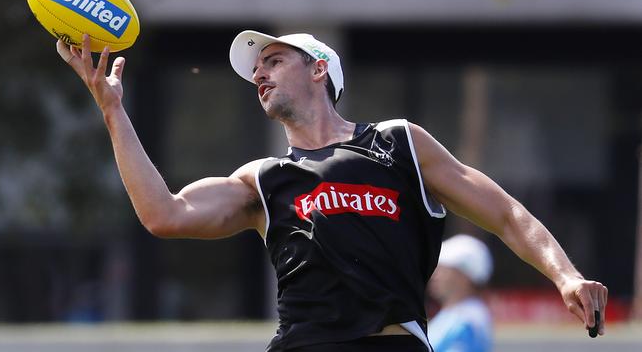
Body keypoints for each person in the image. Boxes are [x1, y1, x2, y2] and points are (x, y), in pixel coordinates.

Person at [55, 30, 608, 352]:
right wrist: (112, 111)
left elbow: (506, 213)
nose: (261, 76)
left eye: (273, 60)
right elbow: (164, 213)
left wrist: (565, 274)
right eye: (257, 72)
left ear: (319, 69)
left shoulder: (399, 144)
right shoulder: (262, 179)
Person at [427, 234, 494, 352]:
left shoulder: (468, 322)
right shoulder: (456, 316)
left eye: (442, 269)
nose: (434, 276)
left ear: (464, 276)